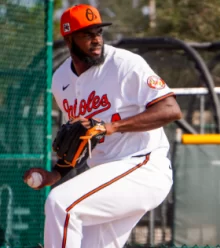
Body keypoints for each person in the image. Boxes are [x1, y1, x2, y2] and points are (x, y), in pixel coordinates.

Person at [23, 4, 182, 248]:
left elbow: (171, 110)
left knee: (61, 204)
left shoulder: (125, 64)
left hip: (143, 166)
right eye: (87, 34)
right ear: (68, 39)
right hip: (103, 176)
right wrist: (55, 174)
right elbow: (77, 139)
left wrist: (112, 127)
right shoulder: (61, 80)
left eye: (98, 31)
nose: (96, 39)